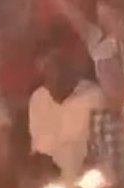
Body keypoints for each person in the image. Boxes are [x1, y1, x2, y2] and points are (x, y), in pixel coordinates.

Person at [28, 49, 105, 180]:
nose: (49, 81)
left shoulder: (94, 96)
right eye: (45, 75)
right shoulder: (38, 97)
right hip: (47, 178)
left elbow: (95, 146)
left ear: (69, 71)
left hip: (84, 176)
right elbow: (38, 146)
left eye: (53, 71)